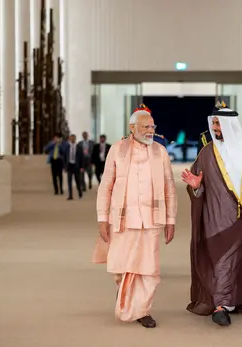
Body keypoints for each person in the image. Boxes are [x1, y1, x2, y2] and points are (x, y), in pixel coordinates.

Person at [182, 102, 242, 327]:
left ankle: (223, 305)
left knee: (234, 262)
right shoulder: (206, 152)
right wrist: (195, 186)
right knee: (219, 261)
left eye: (218, 123)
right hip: (213, 219)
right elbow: (198, 186)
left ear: (230, 124)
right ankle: (223, 303)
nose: (215, 127)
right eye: (213, 123)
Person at [92, 105, 177, 328]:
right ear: (132, 127)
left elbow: (169, 187)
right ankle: (125, 296)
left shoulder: (161, 151)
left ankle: (142, 310)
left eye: (152, 126)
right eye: (146, 126)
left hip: (152, 219)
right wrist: (102, 217)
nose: (151, 130)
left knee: (150, 269)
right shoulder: (117, 149)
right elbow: (106, 185)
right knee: (121, 266)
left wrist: (171, 220)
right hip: (122, 218)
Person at [62, 134, 84, 200]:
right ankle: (70, 195)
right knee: (69, 181)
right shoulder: (67, 147)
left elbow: (82, 158)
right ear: (69, 139)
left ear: (75, 139)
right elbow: (65, 157)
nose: (72, 139)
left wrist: (82, 167)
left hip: (76, 166)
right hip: (69, 166)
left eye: (73, 138)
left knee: (77, 181)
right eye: (71, 138)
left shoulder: (79, 147)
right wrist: (65, 167)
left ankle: (80, 192)